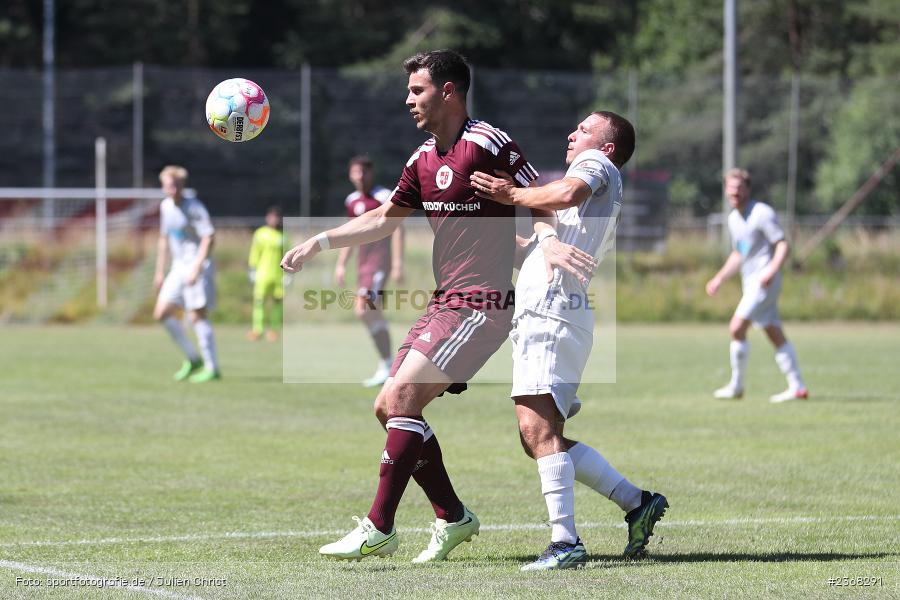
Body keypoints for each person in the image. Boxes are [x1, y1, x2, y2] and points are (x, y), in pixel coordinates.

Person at [282, 50, 588, 563]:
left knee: (401, 400)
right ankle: (452, 516)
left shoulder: (487, 142)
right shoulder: (422, 157)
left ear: (449, 92)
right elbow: (385, 217)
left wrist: (544, 238)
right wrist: (322, 241)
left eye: (417, 90)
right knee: (389, 407)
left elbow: (537, 196)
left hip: (482, 304)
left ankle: (379, 527)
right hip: (445, 301)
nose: (408, 100)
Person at [471, 111, 667, 570]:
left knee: (538, 431)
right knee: (538, 435)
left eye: (582, 129)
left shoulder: (598, 165)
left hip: (553, 315)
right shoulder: (586, 187)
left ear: (607, 145)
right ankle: (635, 501)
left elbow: (566, 191)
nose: (571, 134)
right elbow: (540, 241)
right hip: (551, 313)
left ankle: (565, 544)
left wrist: (513, 192)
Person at [705, 168, 808, 403]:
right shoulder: (733, 218)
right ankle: (797, 386)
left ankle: (737, 386)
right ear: (725, 191)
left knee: (736, 328)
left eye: (739, 188)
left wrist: (771, 271)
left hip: (764, 282)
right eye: (731, 188)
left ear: (748, 189)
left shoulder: (761, 213)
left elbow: (782, 244)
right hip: (751, 282)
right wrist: (720, 278)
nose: (735, 192)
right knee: (774, 332)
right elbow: (740, 253)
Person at [334, 155, 405, 387]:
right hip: (363, 265)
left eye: (364, 172)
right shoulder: (352, 201)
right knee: (370, 313)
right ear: (350, 175)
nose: (360, 176)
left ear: (371, 173)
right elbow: (351, 233)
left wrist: (396, 264)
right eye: (356, 172)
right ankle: (390, 365)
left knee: (364, 310)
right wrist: (341, 263)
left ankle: (388, 365)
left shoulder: (384, 197)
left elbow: (398, 229)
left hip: (379, 263)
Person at [152, 165, 220, 383]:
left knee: (196, 315)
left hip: (196, 266)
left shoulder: (194, 207)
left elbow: (209, 236)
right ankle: (193, 358)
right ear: (163, 186)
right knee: (161, 313)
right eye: (168, 185)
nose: (172, 189)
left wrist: (197, 267)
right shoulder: (165, 207)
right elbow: (164, 239)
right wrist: (160, 271)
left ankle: (212, 367)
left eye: (176, 185)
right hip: (178, 267)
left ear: (182, 185)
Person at [247, 206, 286, 343]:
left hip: (278, 275)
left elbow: (287, 254)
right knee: (259, 303)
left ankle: (274, 330)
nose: (274, 220)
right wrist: (252, 269)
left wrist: (289, 274)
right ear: (267, 218)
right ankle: (258, 330)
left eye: (277, 217)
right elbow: (255, 252)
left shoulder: (283, 235)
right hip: (262, 274)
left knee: (277, 304)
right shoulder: (260, 233)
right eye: (272, 216)